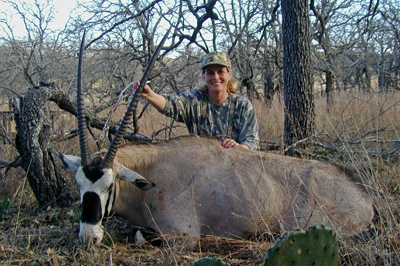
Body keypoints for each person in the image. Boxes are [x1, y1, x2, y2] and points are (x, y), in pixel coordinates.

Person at [136, 51, 259, 150]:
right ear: (204, 76)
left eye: (220, 72)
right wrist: (149, 94)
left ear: (229, 74)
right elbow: (170, 105)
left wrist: (239, 148)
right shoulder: (194, 100)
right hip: (200, 168)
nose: (215, 77)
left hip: (233, 166)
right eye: (210, 73)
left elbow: (252, 141)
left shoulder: (242, 105)